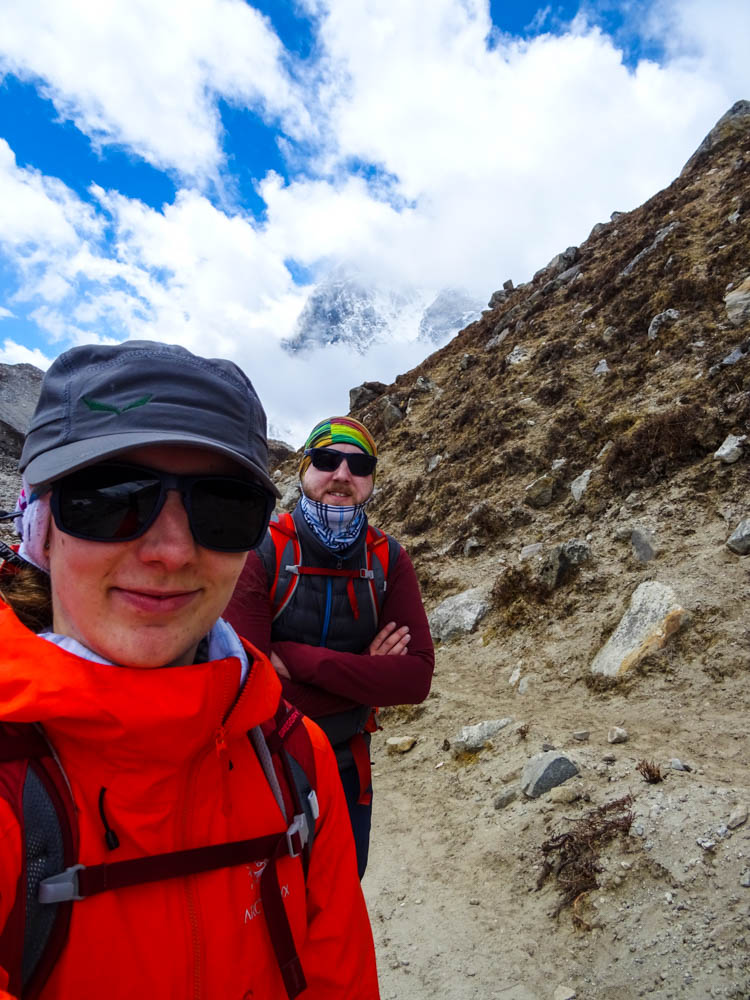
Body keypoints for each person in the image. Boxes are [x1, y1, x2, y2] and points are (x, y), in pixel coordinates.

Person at [0, 342, 379, 1000]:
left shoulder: (296, 751)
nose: (172, 551)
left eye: (223, 509)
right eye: (109, 498)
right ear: (39, 526)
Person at [224, 416, 434, 879]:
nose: (342, 474)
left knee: (337, 898)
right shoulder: (260, 551)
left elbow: (416, 677)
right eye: (325, 459)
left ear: (372, 479)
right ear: (303, 470)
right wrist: (366, 676)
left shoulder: (388, 558)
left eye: (359, 464)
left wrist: (295, 660)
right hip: (265, 767)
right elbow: (245, 690)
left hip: (346, 770)